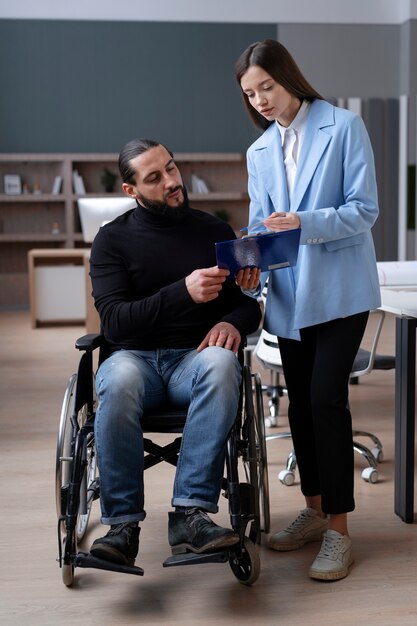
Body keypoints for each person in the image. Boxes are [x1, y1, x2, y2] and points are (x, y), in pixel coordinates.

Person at [234, 40, 381, 581]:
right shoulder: (258, 152)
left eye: (266, 87)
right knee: (299, 407)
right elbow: (258, 225)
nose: (261, 100)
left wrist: (304, 223)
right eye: (251, 94)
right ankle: (315, 512)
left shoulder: (343, 127)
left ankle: (339, 531)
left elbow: (364, 210)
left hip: (342, 290)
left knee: (325, 401)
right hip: (290, 295)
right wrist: (247, 259)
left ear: (287, 76)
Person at [88, 138, 261, 567]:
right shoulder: (111, 240)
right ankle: (122, 525)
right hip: (135, 359)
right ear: (131, 190)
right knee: (120, 378)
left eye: (171, 168)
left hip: (194, 359)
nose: (171, 181)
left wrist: (232, 320)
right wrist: (182, 292)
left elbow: (245, 303)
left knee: (223, 364)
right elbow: (114, 323)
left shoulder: (215, 231)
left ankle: (191, 514)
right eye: (154, 177)